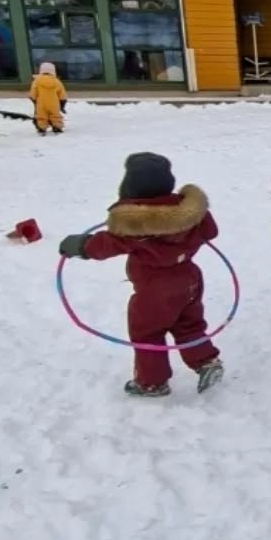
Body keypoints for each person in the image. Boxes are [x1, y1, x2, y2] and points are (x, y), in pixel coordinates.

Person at [58, 152, 224, 399]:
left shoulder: (135, 224)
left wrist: (80, 246)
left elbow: (104, 245)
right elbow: (211, 232)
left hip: (154, 289)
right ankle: (206, 362)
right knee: (189, 324)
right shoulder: (189, 214)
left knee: (147, 332)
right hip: (190, 279)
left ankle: (152, 382)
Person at [29, 62, 68, 135]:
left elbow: (33, 92)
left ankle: (42, 128)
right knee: (55, 115)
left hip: (41, 103)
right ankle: (57, 126)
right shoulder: (57, 82)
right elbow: (62, 94)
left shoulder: (36, 81)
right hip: (54, 103)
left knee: (41, 116)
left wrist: (33, 99)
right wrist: (62, 101)